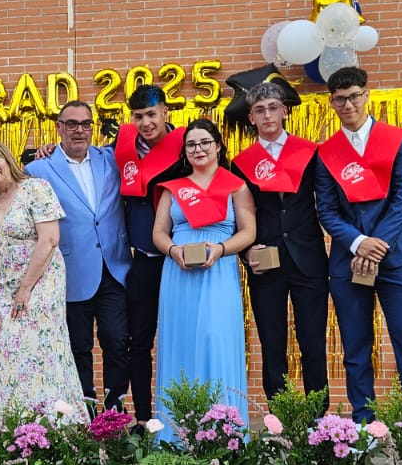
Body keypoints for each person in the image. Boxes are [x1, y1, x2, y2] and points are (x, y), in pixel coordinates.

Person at [313, 67, 402, 425]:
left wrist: (378, 243)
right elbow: (327, 210)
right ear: (331, 103)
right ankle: (364, 421)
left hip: (400, 257)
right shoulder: (325, 153)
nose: (347, 104)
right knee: (356, 348)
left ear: (366, 96)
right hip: (348, 262)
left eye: (353, 96)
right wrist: (360, 243)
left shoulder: (398, 139)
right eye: (339, 99)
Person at [0, 142, 86, 426]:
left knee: (36, 349)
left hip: (41, 283)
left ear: (7, 160)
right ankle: (7, 426)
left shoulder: (35, 189)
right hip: (7, 288)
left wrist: (26, 288)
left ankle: (50, 425)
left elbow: (49, 240)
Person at [150, 118, 256, 435]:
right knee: (179, 342)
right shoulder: (173, 188)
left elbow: (249, 231)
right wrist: (172, 251)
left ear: (219, 146)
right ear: (184, 151)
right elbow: (158, 232)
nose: (198, 149)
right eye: (192, 144)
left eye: (204, 142)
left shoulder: (235, 185)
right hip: (178, 273)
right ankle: (175, 434)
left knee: (215, 340)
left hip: (219, 271)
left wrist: (222, 249)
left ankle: (223, 430)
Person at [25, 100, 131, 412]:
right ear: (58, 128)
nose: (79, 130)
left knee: (116, 342)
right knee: (77, 347)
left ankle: (115, 409)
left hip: (113, 268)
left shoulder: (111, 159)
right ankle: (84, 409)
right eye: (71, 124)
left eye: (86, 123)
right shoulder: (37, 169)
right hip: (69, 271)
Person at [231, 80, 329, 407]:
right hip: (266, 260)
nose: (268, 114)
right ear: (251, 119)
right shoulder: (241, 162)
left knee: (313, 342)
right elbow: (239, 215)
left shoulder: (311, 152)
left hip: (309, 258)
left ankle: (319, 416)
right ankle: (280, 416)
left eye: (273, 107)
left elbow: (326, 203)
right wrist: (245, 250)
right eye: (260, 110)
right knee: (272, 343)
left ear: (284, 111)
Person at [115, 85, 185, 423]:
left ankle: (187, 417)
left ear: (165, 112)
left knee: (182, 338)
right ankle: (143, 418)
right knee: (139, 342)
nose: (145, 123)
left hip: (182, 261)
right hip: (143, 258)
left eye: (151, 115)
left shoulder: (188, 147)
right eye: (139, 116)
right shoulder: (123, 150)